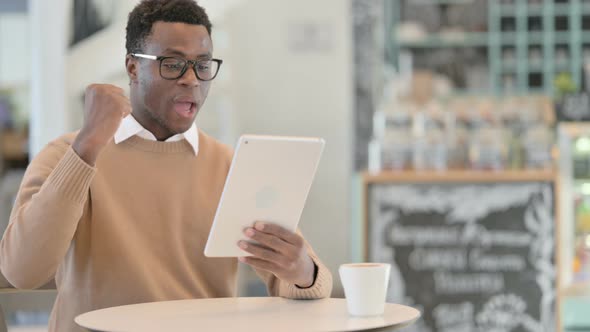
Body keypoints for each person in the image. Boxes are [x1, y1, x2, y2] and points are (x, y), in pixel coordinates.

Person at [0, 1, 333, 331]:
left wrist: (303, 271)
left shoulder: (232, 167)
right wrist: (87, 146)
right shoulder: (66, 155)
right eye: (173, 64)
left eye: (202, 66)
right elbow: (21, 271)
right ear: (132, 68)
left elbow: (308, 284)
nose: (191, 80)